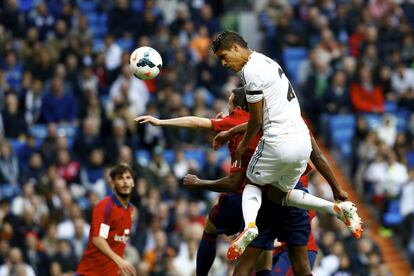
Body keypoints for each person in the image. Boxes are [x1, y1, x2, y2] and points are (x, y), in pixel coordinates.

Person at [211, 30, 362, 262]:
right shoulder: (267, 61)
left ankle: (250, 226)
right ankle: (336, 209)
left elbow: (257, 119)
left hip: (278, 142)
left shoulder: (250, 71)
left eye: (223, 56)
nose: (223, 63)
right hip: (301, 141)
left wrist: (241, 146)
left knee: (250, 182)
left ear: (235, 48)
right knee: (280, 194)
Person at [135, 87, 266, 276]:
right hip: (267, 193)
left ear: (237, 105)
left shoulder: (234, 118)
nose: (227, 103)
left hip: (243, 194)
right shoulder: (262, 121)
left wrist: (160, 122)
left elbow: (196, 122)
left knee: (211, 228)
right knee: (264, 251)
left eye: (229, 100)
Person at [76, 163, 136, 276]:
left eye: (128, 178)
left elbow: (117, 242)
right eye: (120, 178)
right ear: (112, 184)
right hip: (91, 273)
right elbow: (98, 239)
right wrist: (119, 261)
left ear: (133, 183)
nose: (125, 182)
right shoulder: (105, 206)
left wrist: (121, 266)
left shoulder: (130, 211)